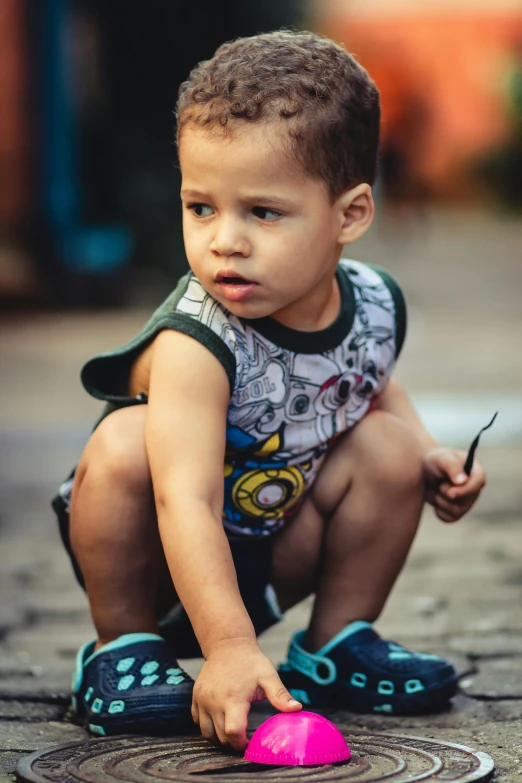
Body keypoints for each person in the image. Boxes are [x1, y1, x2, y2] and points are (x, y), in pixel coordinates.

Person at [52, 30, 486, 748]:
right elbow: (181, 497)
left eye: (262, 212)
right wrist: (225, 646)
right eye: (201, 208)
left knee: (388, 445)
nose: (224, 240)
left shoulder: (375, 303)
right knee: (128, 443)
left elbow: (370, 383)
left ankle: (334, 647)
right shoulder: (198, 339)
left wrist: (429, 453)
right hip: (158, 555)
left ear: (350, 214)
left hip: (272, 540)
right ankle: (120, 654)